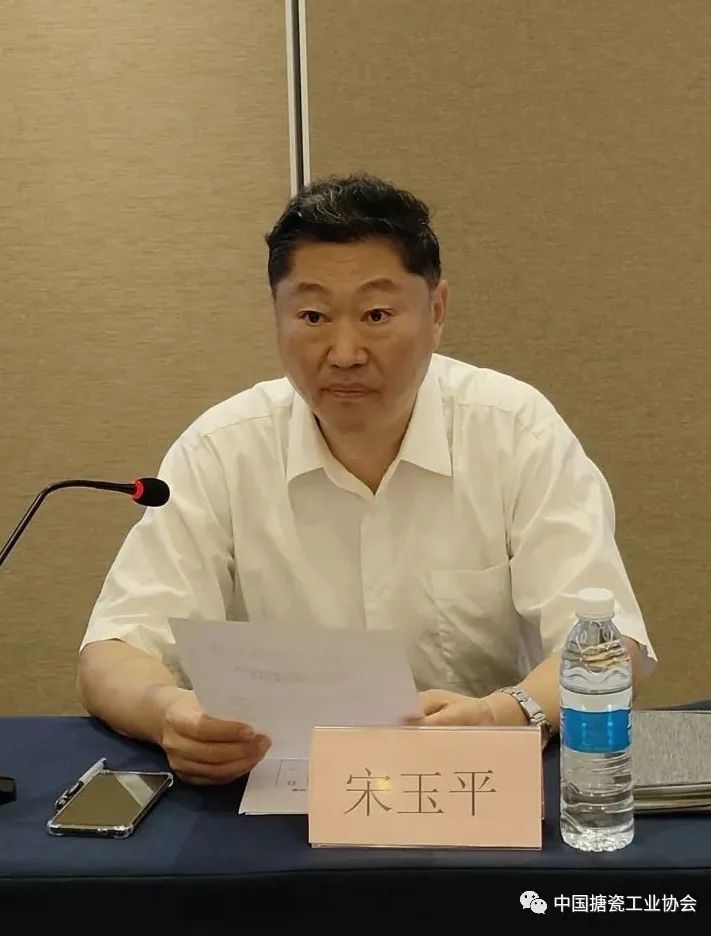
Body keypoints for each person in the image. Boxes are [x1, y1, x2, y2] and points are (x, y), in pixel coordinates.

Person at [77, 172, 656, 785]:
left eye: (376, 314)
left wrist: (506, 713)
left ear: (436, 311)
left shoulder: (516, 432)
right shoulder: (221, 449)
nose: (345, 352)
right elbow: (113, 649)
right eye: (313, 315)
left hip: (475, 783)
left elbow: (609, 644)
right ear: (276, 316)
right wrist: (169, 713)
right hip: (279, 788)